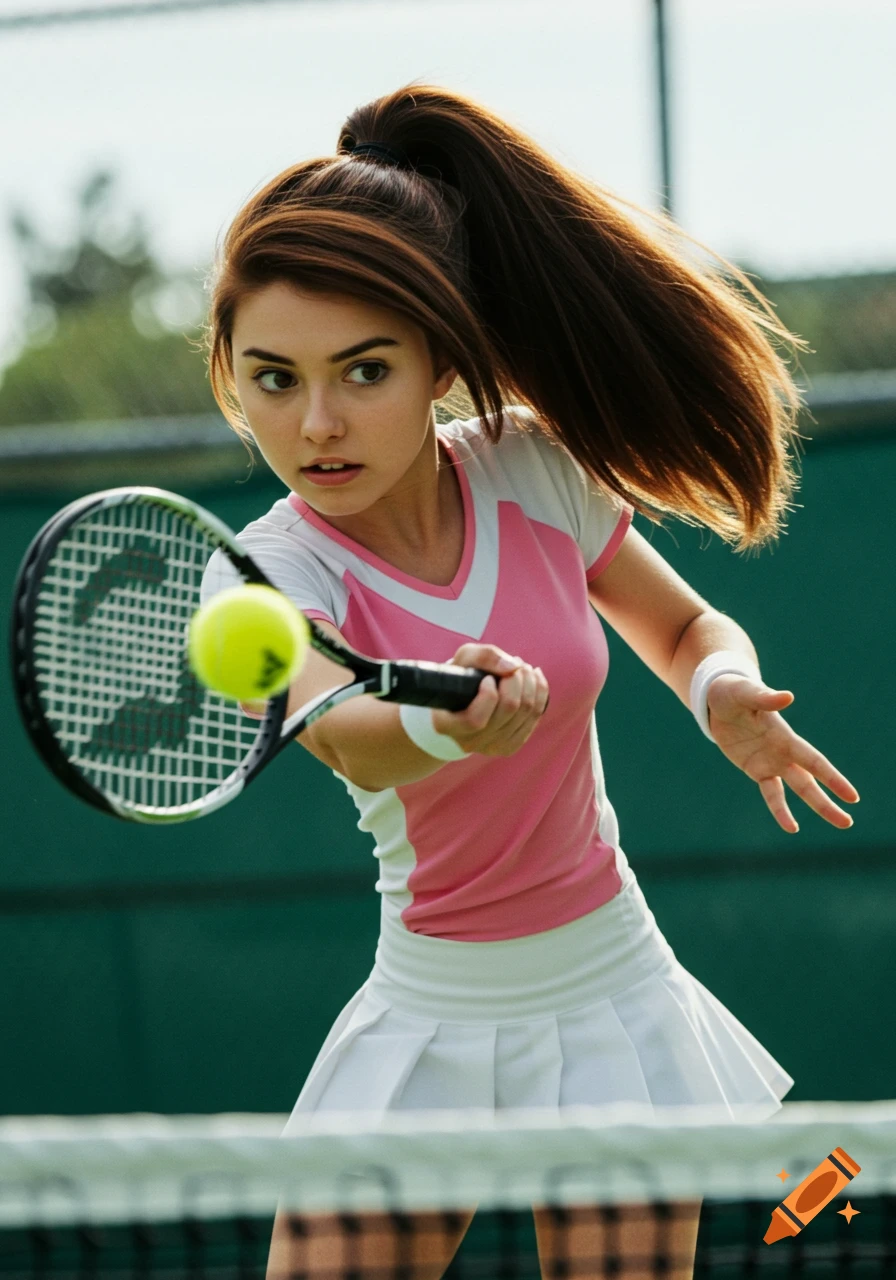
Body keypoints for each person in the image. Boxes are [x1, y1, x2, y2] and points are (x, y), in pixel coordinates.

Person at [200, 83, 859, 1280]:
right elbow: (349, 735)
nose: (316, 422)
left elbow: (684, 625)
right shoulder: (262, 572)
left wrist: (721, 692)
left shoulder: (529, 473)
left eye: (362, 370)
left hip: (611, 988)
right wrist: (454, 728)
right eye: (273, 378)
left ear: (438, 358)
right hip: (425, 1013)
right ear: (230, 377)